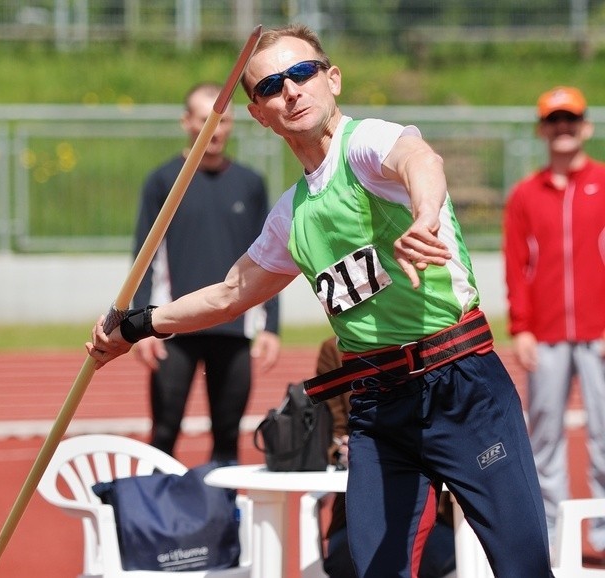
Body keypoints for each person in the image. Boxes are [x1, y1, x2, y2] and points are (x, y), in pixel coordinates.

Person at [88, 24, 554, 577]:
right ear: (258, 114)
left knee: (523, 567)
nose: (291, 90)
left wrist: (425, 217)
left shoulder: (366, 146)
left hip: (461, 384)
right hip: (379, 404)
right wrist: (137, 326)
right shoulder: (291, 215)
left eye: (302, 73)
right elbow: (230, 293)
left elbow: (420, 160)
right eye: (270, 86)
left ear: (331, 78)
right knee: (370, 568)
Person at [130, 82, 281, 463]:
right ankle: (156, 518)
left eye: (223, 120)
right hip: (173, 328)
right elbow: (144, 257)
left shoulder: (250, 184)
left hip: (233, 329)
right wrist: (142, 323)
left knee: (229, 438)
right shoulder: (163, 180)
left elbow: (271, 258)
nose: (215, 129)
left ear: (232, 125)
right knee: (164, 432)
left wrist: (271, 327)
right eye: (205, 119)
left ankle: (224, 519)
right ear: (187, 122)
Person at [503, 85, 605, 563]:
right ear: (543, 129)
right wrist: (522, 327)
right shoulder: (525, 194)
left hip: (599, 333)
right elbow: (516, 262)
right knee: (544, 435)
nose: (563, 128)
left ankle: (604, 536)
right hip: (544, 333)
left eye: (571, 119)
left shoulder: (604, 184)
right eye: (554, 120)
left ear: (585, 126)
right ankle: (551, 536)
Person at [317, 337, 456, 578]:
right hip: (356, 517)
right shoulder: (333, 349)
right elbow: (331, 434)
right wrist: (344, 448)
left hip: (436, 519)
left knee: (422, 555)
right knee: (351, 559)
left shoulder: (436, 340)